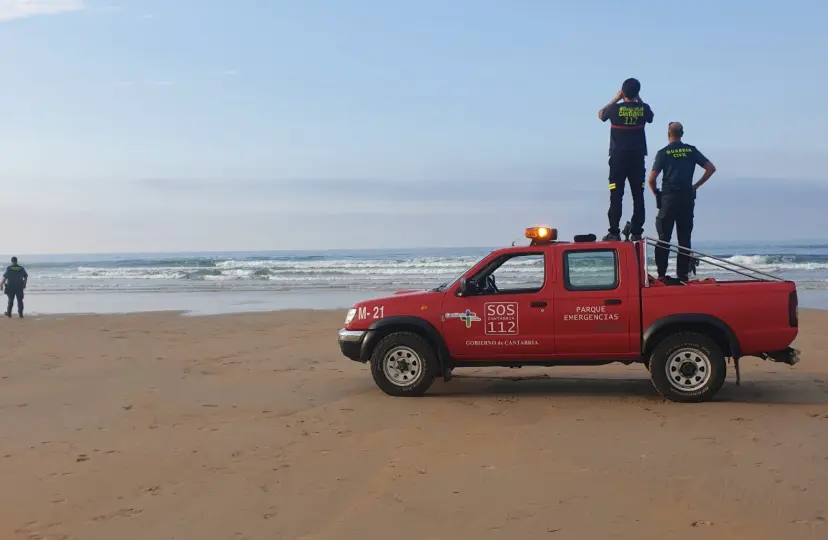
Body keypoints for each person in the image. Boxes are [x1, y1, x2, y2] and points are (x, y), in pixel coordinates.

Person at [648, 122, 716, 282]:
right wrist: (696, 186)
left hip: (668, 198)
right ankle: (683, 275)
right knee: (684, 238)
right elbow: (711, 168)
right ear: (682, 133)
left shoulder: (663, 153)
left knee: (664, 237)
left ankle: (662, 275)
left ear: (668, 134)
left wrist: (656, 193)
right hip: (686, 197)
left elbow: (651, 179)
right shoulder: (691, 150)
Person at [598, 77, 655, 241]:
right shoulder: (644, 108)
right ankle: (637, 231)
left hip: (618, 159)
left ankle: (614, 232)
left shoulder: (614, 109)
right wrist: (638, 99)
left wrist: (616, 98)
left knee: (616, 195)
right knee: (638, 195)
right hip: (637, 160)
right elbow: (650, 117)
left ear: (623, 92)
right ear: (638, 93)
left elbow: (601, 115)